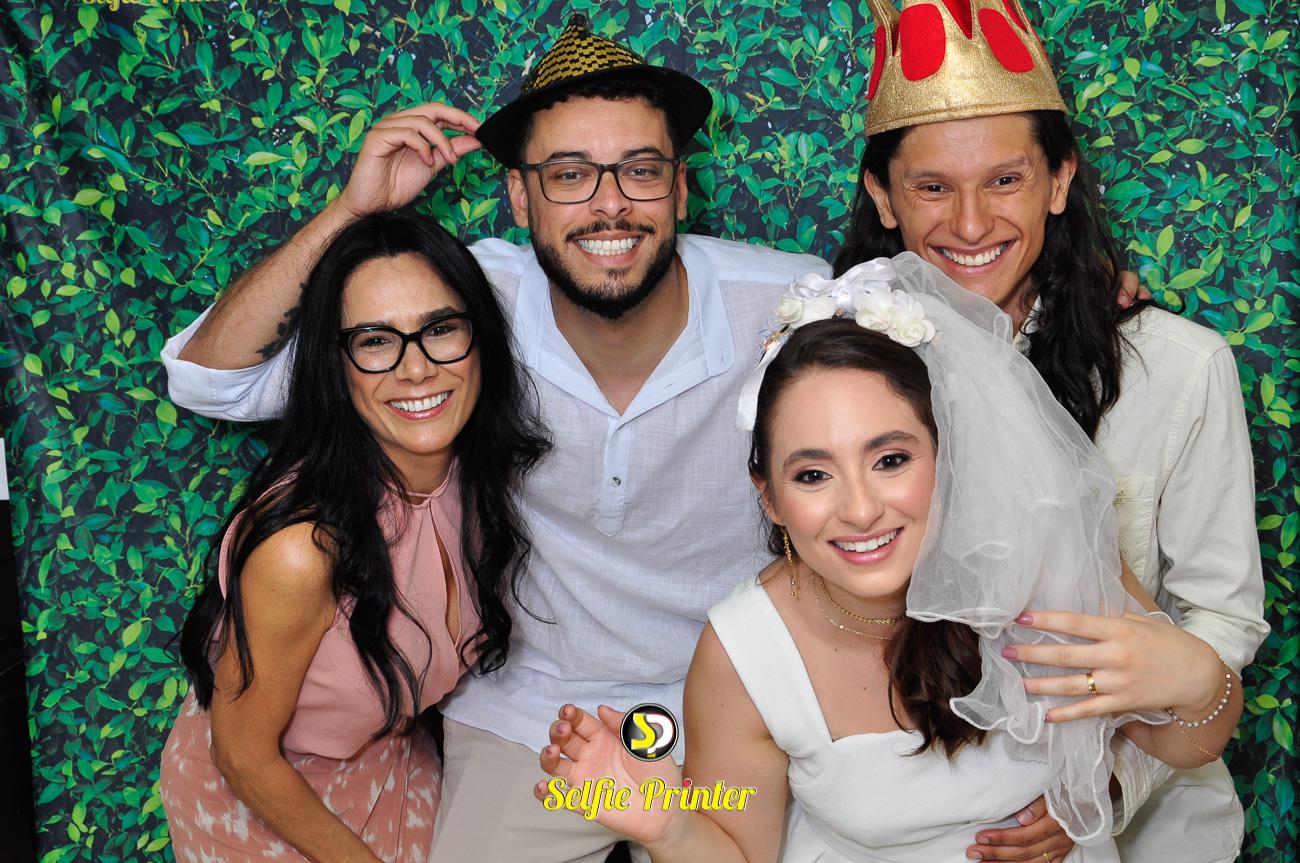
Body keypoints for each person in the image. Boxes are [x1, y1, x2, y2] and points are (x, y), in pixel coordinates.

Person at [162, 15, 827, 862]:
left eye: (641, 169)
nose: (610, 203)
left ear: (681, 189)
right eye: (570, 174)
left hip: (725, 702)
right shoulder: (459, 309)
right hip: (529, 716)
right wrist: (351, 212)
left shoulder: (791, 305)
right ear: (519, 197)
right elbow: (211, 382)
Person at [535, 258, 1243, 862]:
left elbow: (1189, 743)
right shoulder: (745, 651)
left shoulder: (1039, 556)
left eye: (891, 459)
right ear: (769, 495)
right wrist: (669, 824)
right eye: (813, 474)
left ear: (946, 453)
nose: (861, 509)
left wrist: (1198, 678)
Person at [832, 2, 1267, 861]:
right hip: (900, 793)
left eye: (1005, 180)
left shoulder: (1179, 369)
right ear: (882, 195)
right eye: (931, 187)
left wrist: (1101, 784)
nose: (969, 225)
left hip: (1142, 810)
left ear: (1059, 180)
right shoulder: (835, 364)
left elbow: (1218, 625)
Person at [159, 212, 549, 862]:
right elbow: (244, 755)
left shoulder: (476, 473)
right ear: (336, 367)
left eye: (440, 329)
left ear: (480, 337)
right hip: (262, 796)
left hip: (389, 756)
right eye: (375, 341)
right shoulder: (302, 551)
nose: (416, 368)